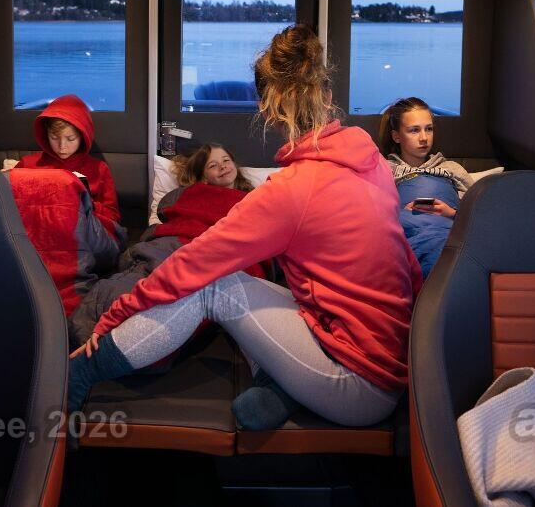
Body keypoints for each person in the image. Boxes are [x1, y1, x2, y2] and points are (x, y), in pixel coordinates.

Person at [68, 24, 422, 431]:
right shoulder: (372, 160)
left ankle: (80, 374)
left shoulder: (292, 190)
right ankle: (282, 386)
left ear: (268, 110)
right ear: (327, 96)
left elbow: (193, 263)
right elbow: (405, 259)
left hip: (360, 384)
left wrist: (115, 315)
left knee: (214, 285)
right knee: (244, 281)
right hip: (389, 358)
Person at [68, 142, 263, 349]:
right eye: (213, 165)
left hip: (215, 255)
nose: (222, 166)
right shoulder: (193, 192)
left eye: (226, 160)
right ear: (203, 177)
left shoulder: (256, 200)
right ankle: (88, 341)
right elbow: (167, 207)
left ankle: (111, 348)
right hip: (174, 245)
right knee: (130, 285)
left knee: (180, 304)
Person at [378, 96, 474, 277]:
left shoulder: (451, 168)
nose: (424, 138)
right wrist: (400, 214)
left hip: (447, 236)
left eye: (428, 129)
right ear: (396, 136)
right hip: (404, 237)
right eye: (414, 130)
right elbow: (370, 213)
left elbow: (480, 214)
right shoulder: (384, 169)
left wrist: (452, 213)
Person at [16, 94, 123, 239]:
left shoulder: (99, 169)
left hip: (82, 237)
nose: (62, 146)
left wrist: (86, 204)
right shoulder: (27, 165)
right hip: (37, 236)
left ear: (82, 136)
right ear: (46, 135)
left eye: (70, 139)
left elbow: (113, 217)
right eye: (54, 138)